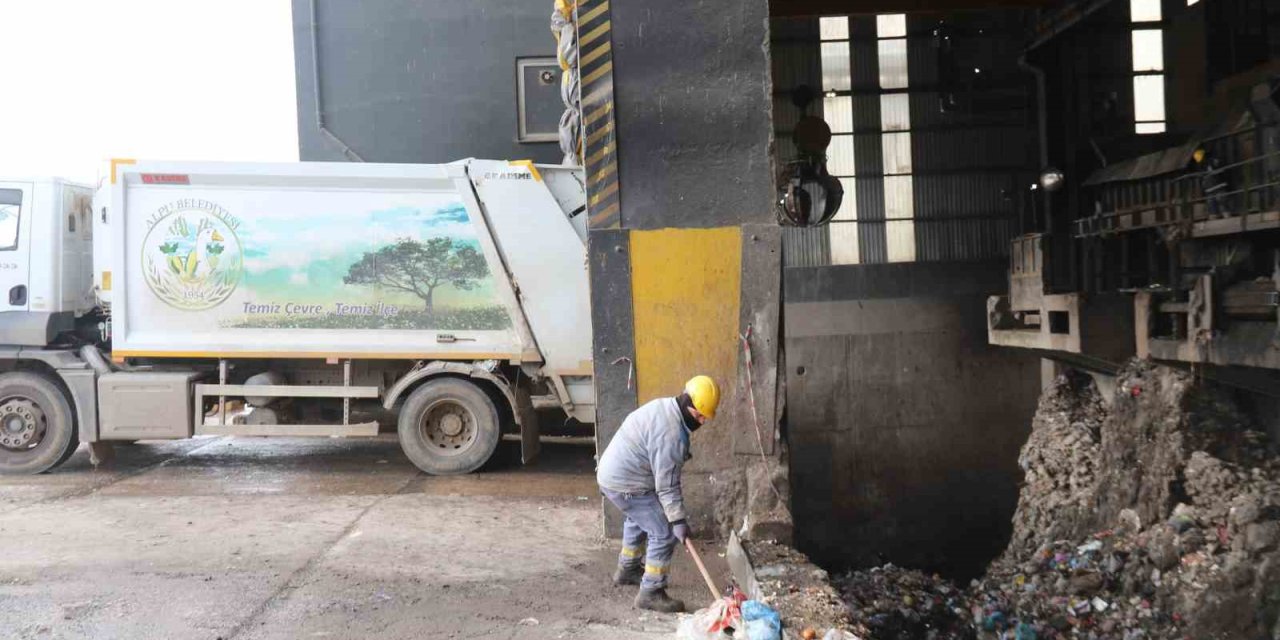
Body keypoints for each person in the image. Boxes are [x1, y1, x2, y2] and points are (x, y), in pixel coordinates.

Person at [596, 375, 721, 613]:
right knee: (663, 531)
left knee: (639, 517)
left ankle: (628, 569)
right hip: (625, 483)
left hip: (614, 475)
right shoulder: (671, 435)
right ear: (688, 404)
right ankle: (651, 592)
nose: (703, 421)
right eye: (699, 416)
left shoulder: (665, 407)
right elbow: (667, 486)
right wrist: (678, 520)